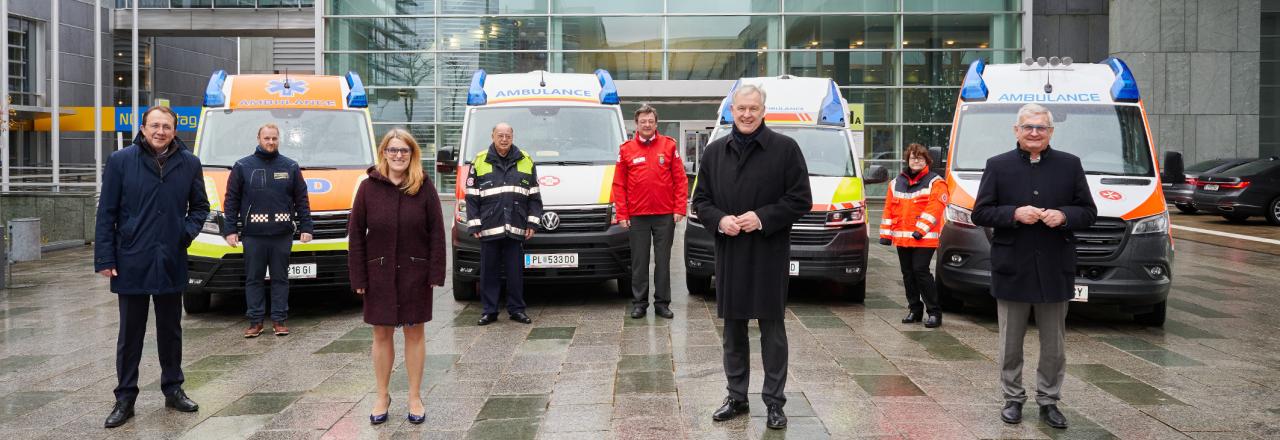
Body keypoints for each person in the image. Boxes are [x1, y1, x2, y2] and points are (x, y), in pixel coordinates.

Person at [692, 84, 811, 430]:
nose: (746, 114)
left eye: (753, 109)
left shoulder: (785, 150)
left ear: (763, 111)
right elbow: (700, 201)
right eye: (741, 108)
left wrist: (762, 218)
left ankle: (774, 402)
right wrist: (720, 220)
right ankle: (737, 396)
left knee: (772, 330)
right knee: (733, 329)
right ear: (732, 109)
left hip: (769, 252)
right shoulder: (714, 152)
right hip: (730, 252)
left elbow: (800, 199)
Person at [971, 103, 1096, 430]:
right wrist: (1013, 213)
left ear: (1050, 132)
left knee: (1054, 344)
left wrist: (1065, 216)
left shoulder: (1070, 165)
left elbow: (1088, 212)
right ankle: (1013, 398)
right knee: (1010, 341)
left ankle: (1049, 400)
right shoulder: (997, 166)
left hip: (1055, 267)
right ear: (1017, 130)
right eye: (1028, 127)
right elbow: (980, 213)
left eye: (1041, 127)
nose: (1034, 133)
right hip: (1013, 266)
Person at [94, 106, 208, 428]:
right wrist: (105, 258)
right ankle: (125, 398)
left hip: (171, 260)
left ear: (174, 130)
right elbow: (107, 213)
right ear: (143, 128)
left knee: (171, 331)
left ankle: (173, 389)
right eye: (155, 125)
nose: (160, 131)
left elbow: (200, 207)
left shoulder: (189, 163)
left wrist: (183, 235)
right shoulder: (121, 161)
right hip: (132, 258)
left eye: (166, 126)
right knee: (130, 334)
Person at [347, 128, 446, 425]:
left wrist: (436, 271)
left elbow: (437, 234)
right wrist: (359, 277)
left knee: (415, 333)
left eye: (404, 150)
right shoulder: (368, 188)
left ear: (412, 154)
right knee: (381, 334)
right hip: (378, 273)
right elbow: (356, 237)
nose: (399, 155)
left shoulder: (424, 186)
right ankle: (382, 395)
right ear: (384, 153)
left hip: (416, 273)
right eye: (393, 150)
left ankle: (414, 395)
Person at [223, 123, 313, 338]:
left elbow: (302, 200)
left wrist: (306, 227)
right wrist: (230, 230)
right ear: (258, 138)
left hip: (282, 234)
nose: (271, 142)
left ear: (278, 139)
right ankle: (255, 322)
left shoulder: (290, 166)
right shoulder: (242, 166)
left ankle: (279, 321)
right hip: (253, 235)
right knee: (253, 279)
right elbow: (231, 200)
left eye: (274, 138)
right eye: (267, 138)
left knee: (281, 279)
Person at [613, 104, 688, 319]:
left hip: (665, 215)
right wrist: (623, 214)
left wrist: (679, 208)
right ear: (636, 124)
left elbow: (680, 180)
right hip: (637, 216)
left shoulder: (668, 146)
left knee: (663, 261)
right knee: (639, 261)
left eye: (650, 121)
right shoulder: (626, 149)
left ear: (656, 123)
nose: (647, 124)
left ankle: (662, 303)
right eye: (643, 121)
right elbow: (619, 184)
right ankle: (640, 303)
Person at [465, 122, 542, 326]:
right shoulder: (480, 161)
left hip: (516, 226)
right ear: (492, 136)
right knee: (488, 272)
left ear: (513, 136)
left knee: (515, 273)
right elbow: (471, 197)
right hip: (489, 227)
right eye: (500, 135)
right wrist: (475, 225)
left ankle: (517, 310)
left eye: (507, 135)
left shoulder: (526, 160)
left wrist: (532, 224)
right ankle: (489, 311)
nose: (504, 139)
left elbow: (534, 197)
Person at [879, 143, 948, 328]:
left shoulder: (936, 182)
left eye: (919, 158)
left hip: (924, 238)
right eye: (912, 157)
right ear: (907, 160)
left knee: (920, 271)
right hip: (903, 238)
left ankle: (934, 312)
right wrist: (886, 234)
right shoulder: (896, 183)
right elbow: (889, 209)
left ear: (926, 161)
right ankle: (914, 310)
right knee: (907, 274)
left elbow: (935, 208)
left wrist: (921, 230)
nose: (915, 160)